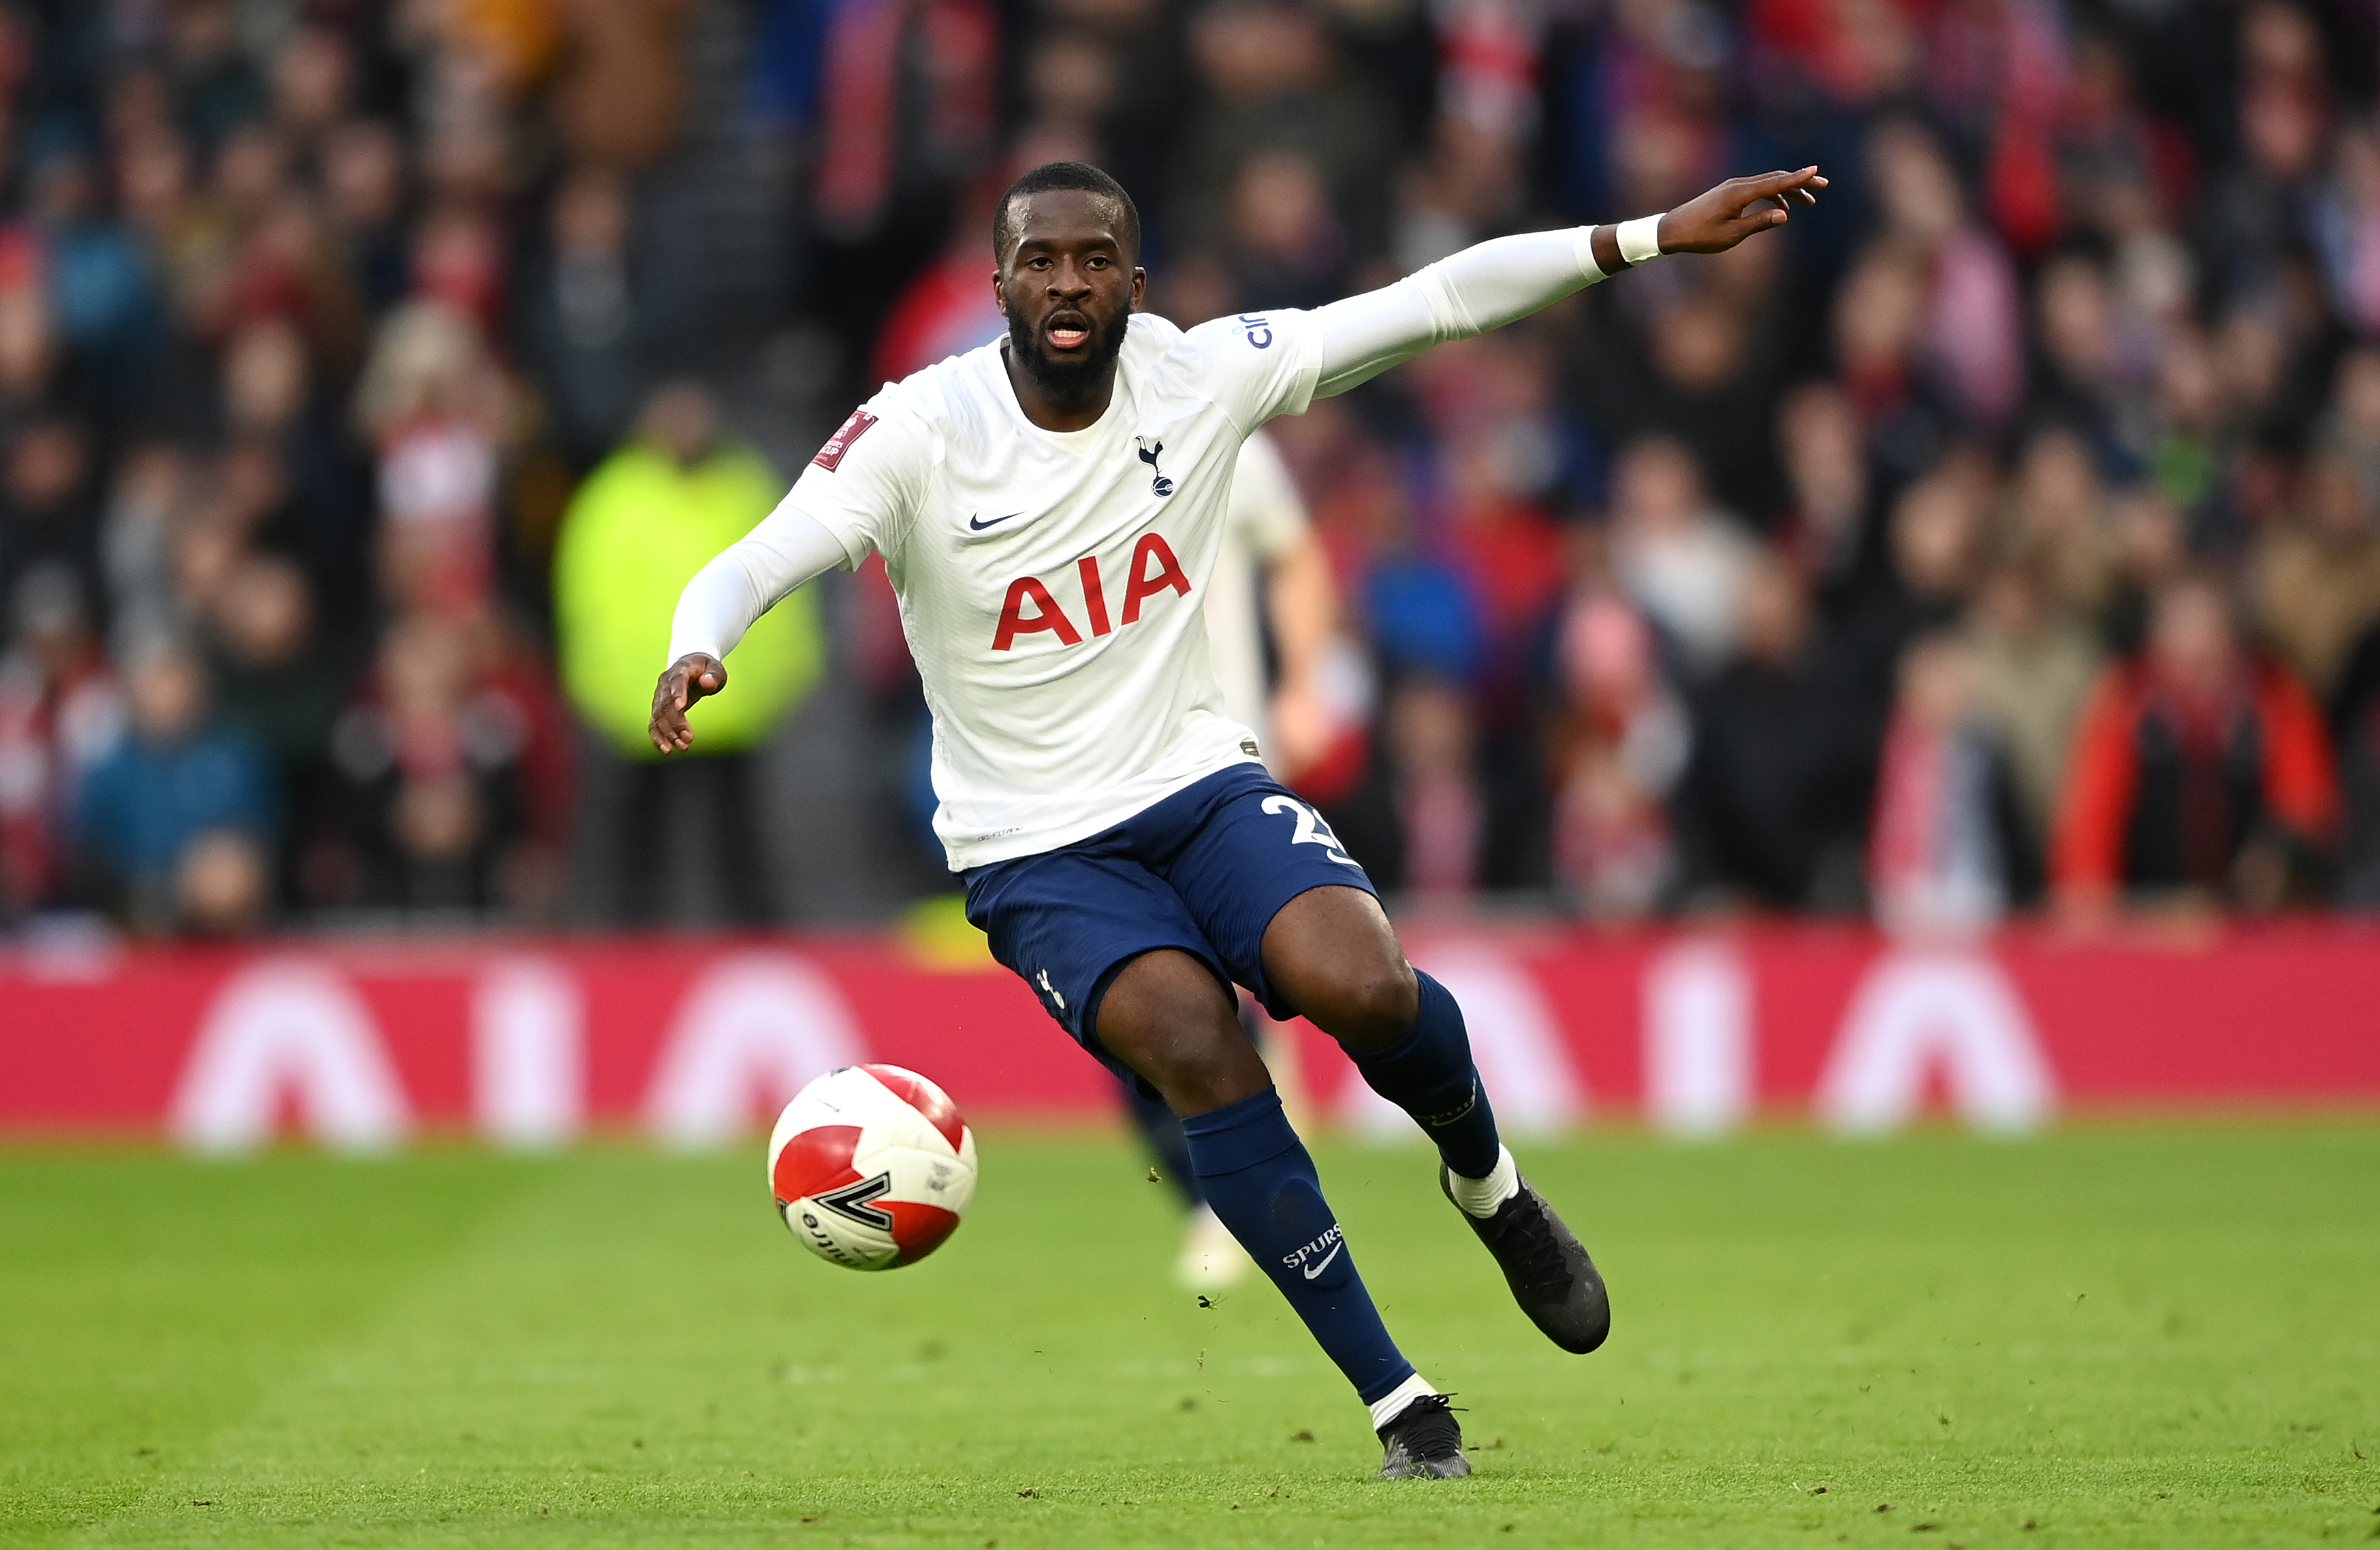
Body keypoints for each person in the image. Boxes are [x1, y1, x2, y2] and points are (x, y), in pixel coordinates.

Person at [651, 159, 1825, 1477]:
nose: (1068, 284)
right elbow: (759, 553)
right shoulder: (920, 432)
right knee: (1199, 1048)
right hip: (1034, 846)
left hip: (1198, 783)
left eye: (1095, 259)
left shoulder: (1199, 374)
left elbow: (1434, 301)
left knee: (1365, 984)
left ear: (1136, 285)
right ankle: (1399, 1401)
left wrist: (1651, 235)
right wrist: (705, 642)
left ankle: (1491, 1189)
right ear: (997, 287)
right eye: (1039, 261)